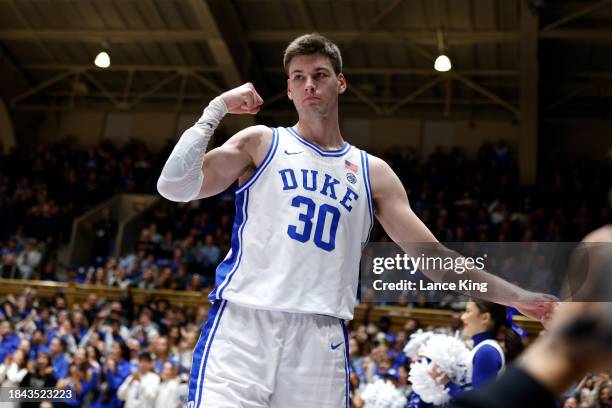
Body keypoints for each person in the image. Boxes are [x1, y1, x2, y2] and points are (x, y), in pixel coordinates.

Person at [157, 33, 555, 407]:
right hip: (243, 325)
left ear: (340, 83)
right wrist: (216, 110)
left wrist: (519, 298)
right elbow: (174, 186)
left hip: (320, 336)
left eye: (320, 75)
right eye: (299, 77)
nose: (309, 84)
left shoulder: (373, 173)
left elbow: (435, 259)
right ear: (290, 89)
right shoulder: (262, 142)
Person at [461, 300, 523, 388]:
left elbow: (480, 400)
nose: (463, 317)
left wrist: (447, 384)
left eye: (468, 311)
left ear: (485, 318)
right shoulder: (482, 348)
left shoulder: (487, 351)